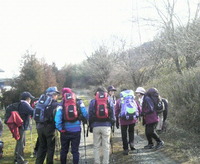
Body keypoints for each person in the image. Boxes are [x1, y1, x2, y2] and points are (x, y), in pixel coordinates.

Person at [55, 88, 88, 164]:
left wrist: (60, 128)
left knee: (64, 150)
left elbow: (57, 117)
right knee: (75, 150)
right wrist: (83, 119)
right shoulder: (78, 101)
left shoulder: (62, 103)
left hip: (65, 131)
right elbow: (85, 113)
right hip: (76, 130)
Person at [89, 87, 115, 164]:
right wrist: (112, 123)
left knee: (96, 146)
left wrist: (90, 125)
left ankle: (97, 162)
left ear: (97, 93)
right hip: (106, 126)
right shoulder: (109, 100)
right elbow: (113, 113)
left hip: (96, 126)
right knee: (106, 146)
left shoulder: (93, 101)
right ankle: (105, 162)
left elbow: (90, 115)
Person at [35, 86, 60, 164]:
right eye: (56, 94)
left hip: (39, 127)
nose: (57, 96)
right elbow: (56, 117)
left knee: (42, 147)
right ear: (53, 94)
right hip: (49, 128)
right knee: (50, 148)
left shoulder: (40, 102)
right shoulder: (55, 104)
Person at [115, 89, 141, 155]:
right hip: (132, 120)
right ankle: (132, 145)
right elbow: (139, 109)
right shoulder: (133, 100)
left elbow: (116, 111)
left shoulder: (119, 101)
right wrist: (138, 116)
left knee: (124, 134)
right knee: (131, 132)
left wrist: (117, 121)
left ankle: (126, 149)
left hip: (123, 120)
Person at [14, 91, 35, 164]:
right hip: (21, 126)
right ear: (27, 98)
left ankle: (17, 158)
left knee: (19, 142)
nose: (30, 100)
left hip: (18, 125)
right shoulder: (25, 104)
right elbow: (32, 112)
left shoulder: (20, 104)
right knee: (21, 143)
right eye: (30, 98)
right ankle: (20, 160)